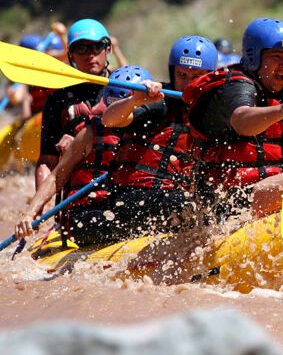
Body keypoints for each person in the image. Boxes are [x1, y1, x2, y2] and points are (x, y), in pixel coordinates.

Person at [183, 0, 283, 219]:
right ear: (254, 56)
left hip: (264, 188)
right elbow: (242, 121)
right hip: (228, 200)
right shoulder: (236, 86)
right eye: (277, 56)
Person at [14, 66, 148, 245]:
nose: (120, 114)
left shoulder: (155, 131)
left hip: (126, 209)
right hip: (89, 215)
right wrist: (30, 213)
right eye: (115, 106)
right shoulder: (89, 132)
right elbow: (56, 176)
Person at [100, 36, 217, 237]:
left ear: (208, 77)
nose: (188, 83)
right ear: (173, 73)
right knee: (184, 204)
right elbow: (109, 120)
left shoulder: (212, 111)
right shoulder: (159, 101)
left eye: (196, 76)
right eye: (182, 75)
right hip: (135, 199)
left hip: (176, 199)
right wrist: (134, 101)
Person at [36, 19, 115, 189]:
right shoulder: (58, 98)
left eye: (96, 46)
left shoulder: (125, 87)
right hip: (77, 192)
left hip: (117, 187)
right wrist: (37, 210)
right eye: (81, 48)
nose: (90, 54)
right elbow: (47, 160)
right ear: (70, 55)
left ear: (107, 49)